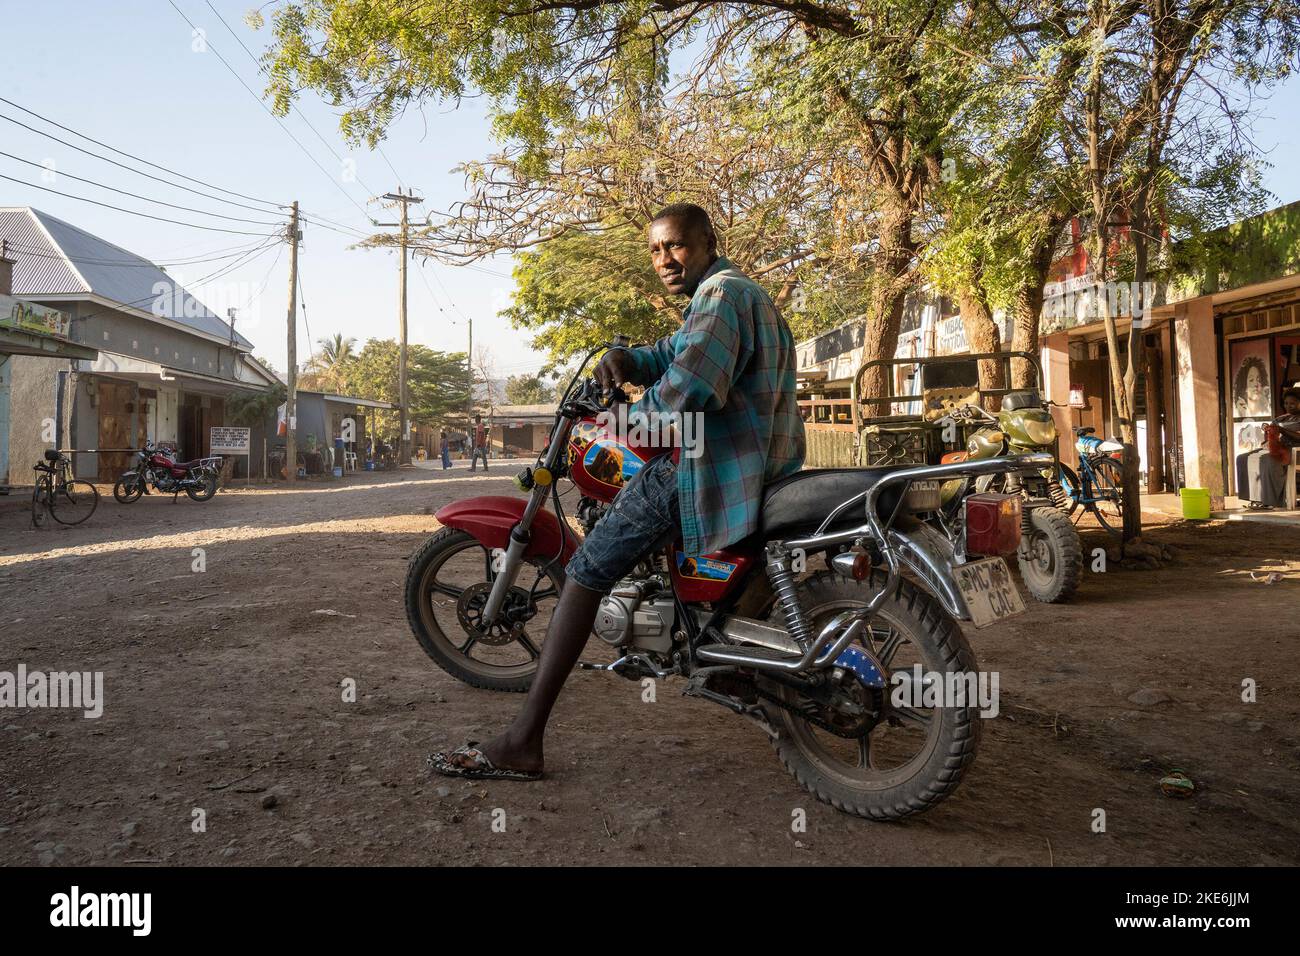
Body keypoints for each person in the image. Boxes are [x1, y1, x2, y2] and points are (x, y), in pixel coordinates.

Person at [429, 202, 805, 781]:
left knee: (585, 571)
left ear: (707, 241)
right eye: (656, 250)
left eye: (676, 245)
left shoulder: (720, 296)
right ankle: (722, 663)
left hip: (707, 469)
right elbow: (679, 353)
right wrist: (629, 359)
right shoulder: (736, 296)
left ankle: (523, 739)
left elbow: (691, 388)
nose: (665, 259)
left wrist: (623, 421)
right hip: (758, 469)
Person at [1240, 388, 1300, 508]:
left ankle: (1272, 501)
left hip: (1294, 451)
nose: (1288, 406)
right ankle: (1255, 498)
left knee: (1268, 460)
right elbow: (1269, 436)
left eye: (1292, 403)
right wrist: (1268, 432)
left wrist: (1282, 430)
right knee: (1243, 458)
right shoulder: (1281, 418)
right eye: (1286, 403)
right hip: (1278, 448)